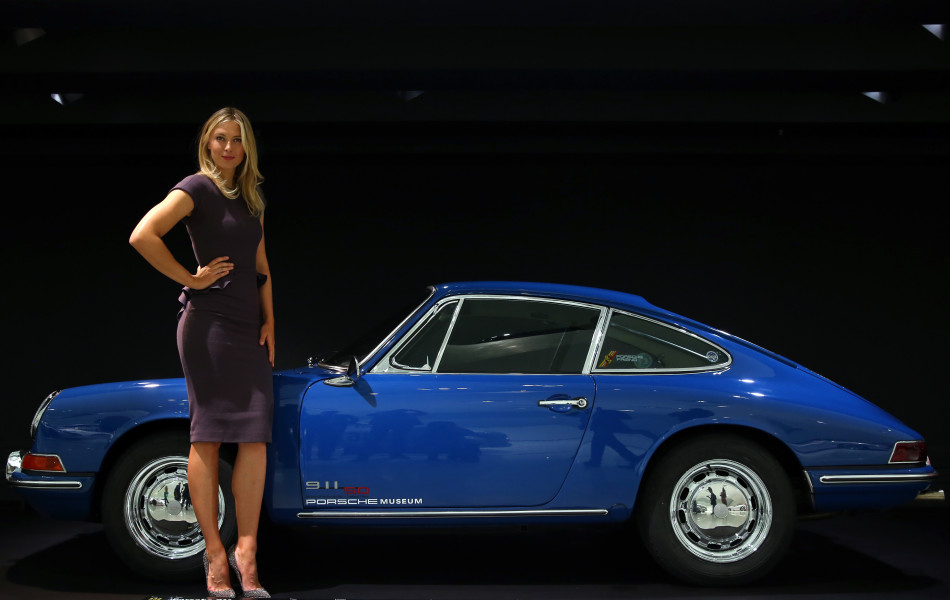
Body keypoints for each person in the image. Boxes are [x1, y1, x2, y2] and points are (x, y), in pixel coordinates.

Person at [130, 107, 274, 598]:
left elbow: (260, 262)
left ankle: (247, 551)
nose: (228, 147)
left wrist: (269, 318)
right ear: (208, 144)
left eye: (236, 139)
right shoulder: (196, 187)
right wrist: (190, 279)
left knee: (254, 438)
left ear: (246, 146)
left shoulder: (253, 198)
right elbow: (142, 235)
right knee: (208, 436)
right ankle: (214, 552)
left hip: (247, 326)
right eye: (219, 138)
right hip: (208, 327)